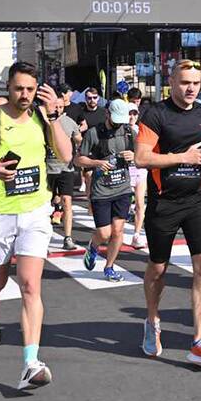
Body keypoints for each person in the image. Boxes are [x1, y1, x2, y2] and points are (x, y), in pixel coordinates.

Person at [0, 62, 73, 389]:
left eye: (30, 90)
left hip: (36, 211)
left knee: (31, 286)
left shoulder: (41, 115)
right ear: (8, 86)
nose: (24, 95)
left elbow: (66, 156)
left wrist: (53, 118)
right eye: (19, 88)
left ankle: (30, 362)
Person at [135, 60, 201, 364]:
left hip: (196, 199)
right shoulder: (156, 114)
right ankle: (151, 320)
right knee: (158, 268)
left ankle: (199, 339)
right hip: (164, 201)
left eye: (196, 83)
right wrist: (182, 156)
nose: (190, 89)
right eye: (184, 82)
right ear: (171, 82)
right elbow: (141, 158)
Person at [77, 99, 136, 282]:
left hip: (123, 188)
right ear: (107, 114)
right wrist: (97, 163)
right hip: (101, 190)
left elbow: (141, 156)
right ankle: (93, 246)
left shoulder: (128, 132)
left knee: (118, 231)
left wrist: (133, 156)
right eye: (115, 120)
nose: (118, 124)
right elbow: (78, 160)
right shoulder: (93, 134)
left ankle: (109, 267)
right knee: (104, 233)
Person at [48, 84, 83, 250]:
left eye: (61, 107)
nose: (59, 109)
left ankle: (67, 237)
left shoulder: (69, 122)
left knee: (67, 202)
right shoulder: (44, 121)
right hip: (47, 168)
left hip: (66, 169)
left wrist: (80, 140)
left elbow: (79, 139)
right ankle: (44, 236)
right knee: (45, 205)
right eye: (56, 106)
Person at [127, 103, 147, 251]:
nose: (132, 117)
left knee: (140, 204)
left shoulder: (142, 130)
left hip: (140, 169)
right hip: (124, 170)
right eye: (129, 113)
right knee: (123, 204)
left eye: (134, 114)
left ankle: (136, 234)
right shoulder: (120, 130)